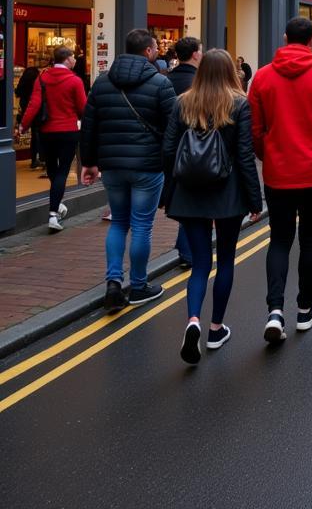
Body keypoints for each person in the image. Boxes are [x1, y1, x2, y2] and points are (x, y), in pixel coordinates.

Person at [248, 17, 312, 343]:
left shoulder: (263, 77)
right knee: (309, 238)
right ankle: (305, 309)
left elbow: (254, 129)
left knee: (279, 240)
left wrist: (269, 155)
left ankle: (275, 312)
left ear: (284, 38)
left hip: (278, 173)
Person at [162, 49, 262, 364]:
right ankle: (216, 329)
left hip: (190, 193)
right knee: (226, 261)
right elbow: (245, 155)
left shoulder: (183, 102)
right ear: (231, 72)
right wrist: (254, 198)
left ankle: (193, 320)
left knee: (200, 264)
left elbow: (167, 150)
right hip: (228, 193)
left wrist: (171, 189)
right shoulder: (240, 103)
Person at [79, 28, 178, 312]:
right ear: (147, 51)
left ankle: (112, 283)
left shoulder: (101, 83)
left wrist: (89, 162)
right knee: (142, 226)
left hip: (112, 166)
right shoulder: (161, 83)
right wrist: (169, 164)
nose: (158, 50)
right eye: (155, 47)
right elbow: (173, 129)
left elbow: (89, 125)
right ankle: (138, 285)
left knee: (119, 222)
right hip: (147, 167)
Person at [18, 46, 87, 232]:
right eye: (73, 57)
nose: (75, 60)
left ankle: (57, 204)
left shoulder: (42, 78)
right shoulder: (75, 81)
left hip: (46, 131)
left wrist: (23, 125)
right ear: (66, 59)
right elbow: (83, 108)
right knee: (63, 171)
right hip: (68, 131)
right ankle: (53, 213)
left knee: (52, 169)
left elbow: (34, 104)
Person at [167, 36, 204, 269]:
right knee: (193, 203)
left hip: (172, 149)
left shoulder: (165, 80)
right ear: (195, 54)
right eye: (200, 51)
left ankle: (185, 249)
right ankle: (187, 251)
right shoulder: (198, 85)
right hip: (194, 151)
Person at [15, 65, 42, 169]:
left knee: (32, 134)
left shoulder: (22, 84)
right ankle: (38, 158)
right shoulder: (37, 84)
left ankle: (34, 159)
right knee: (37, 134)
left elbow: (17, 93)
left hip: (25, 108)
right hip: (37, 111)